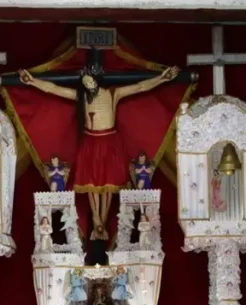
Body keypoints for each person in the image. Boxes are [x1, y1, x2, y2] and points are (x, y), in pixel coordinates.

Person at [17, 64, 178, 235]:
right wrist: (32, 81)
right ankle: (97, 221)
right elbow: (54, 89)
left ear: (96, 80)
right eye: (85, 83)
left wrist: (162, 78)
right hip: (90, 141)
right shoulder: (82, 96)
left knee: (108, 182)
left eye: (90, 81)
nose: (88, 85)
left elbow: (140, 87)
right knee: (91, 181)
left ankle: (102, 218)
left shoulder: (113, 93)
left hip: (108, 140)